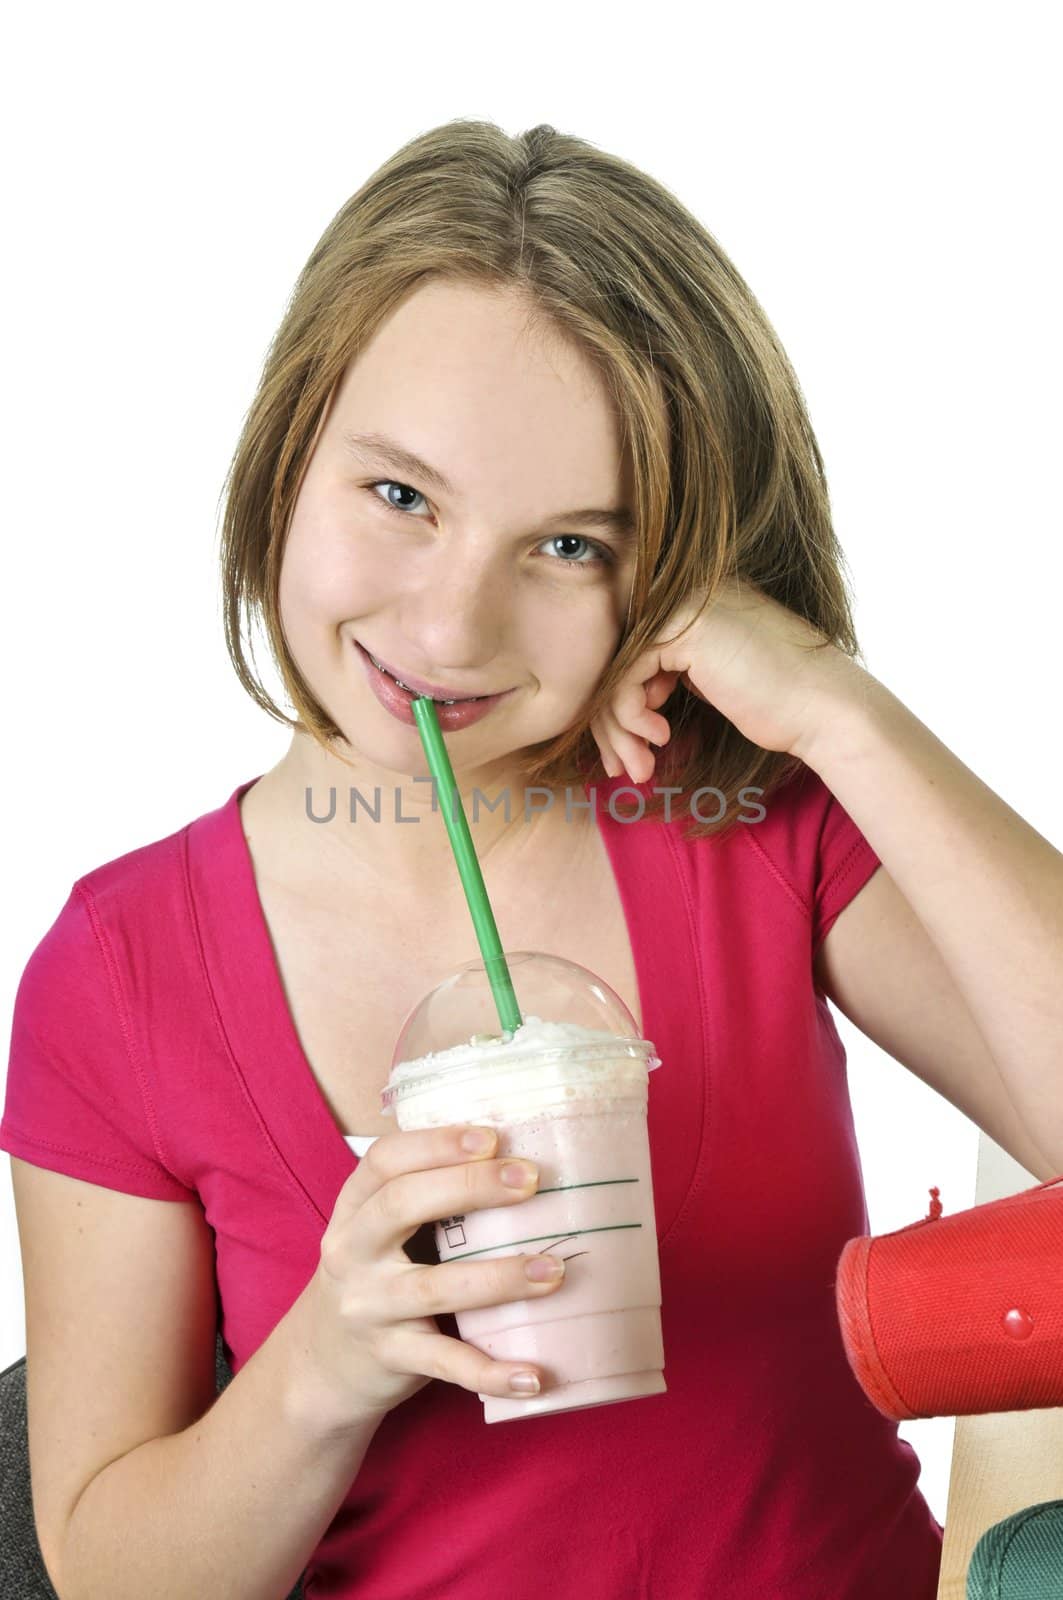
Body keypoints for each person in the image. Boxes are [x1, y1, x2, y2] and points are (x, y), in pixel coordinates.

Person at [6, 117, 1060, 1600]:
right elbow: (116, 1573)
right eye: (400, 497)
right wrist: (326, 1360)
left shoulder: (746, 817)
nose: (448, 633)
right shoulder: (119, 971)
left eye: (569, 546)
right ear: (289, 448)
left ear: (673, 561)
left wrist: (836, 706)